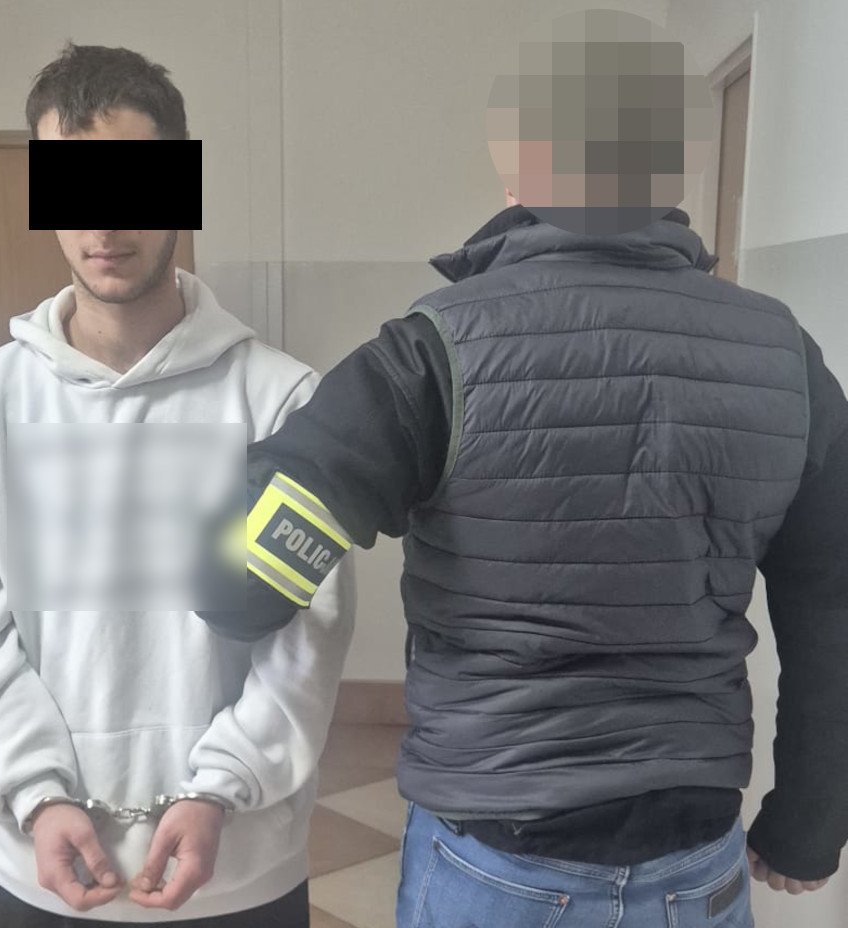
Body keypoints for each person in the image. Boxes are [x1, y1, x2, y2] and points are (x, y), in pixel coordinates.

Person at [197, 44, 848, 928]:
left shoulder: (433, 351)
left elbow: (245, 585)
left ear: (518, 175)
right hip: (697, 858)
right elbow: (834, 606)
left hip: (497, 861)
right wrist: (811, 822)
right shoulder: (785, 356)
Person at [0, 42, 354, 927]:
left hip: (241, 874)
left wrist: (219, 789)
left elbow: (308, 632)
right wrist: (38, 795)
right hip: (36, 866)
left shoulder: (282, 402)